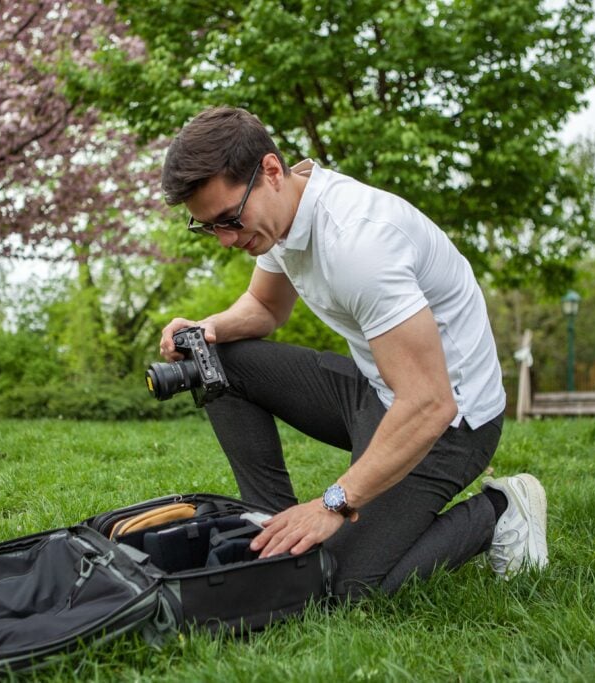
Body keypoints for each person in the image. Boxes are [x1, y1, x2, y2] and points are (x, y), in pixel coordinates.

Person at [157, 106, 547, 598]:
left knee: (344, 586)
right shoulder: (279, 218)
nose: (227, 239)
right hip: (380, 393)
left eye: (229, 219)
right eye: (208, 227)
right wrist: (206, 328)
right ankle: (272, 529)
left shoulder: (360, 244)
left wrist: (331, 505)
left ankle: (501, 509)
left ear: (271, 172)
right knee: (214, 359)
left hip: (451, 424)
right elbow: (263, 307)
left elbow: (431, 402)